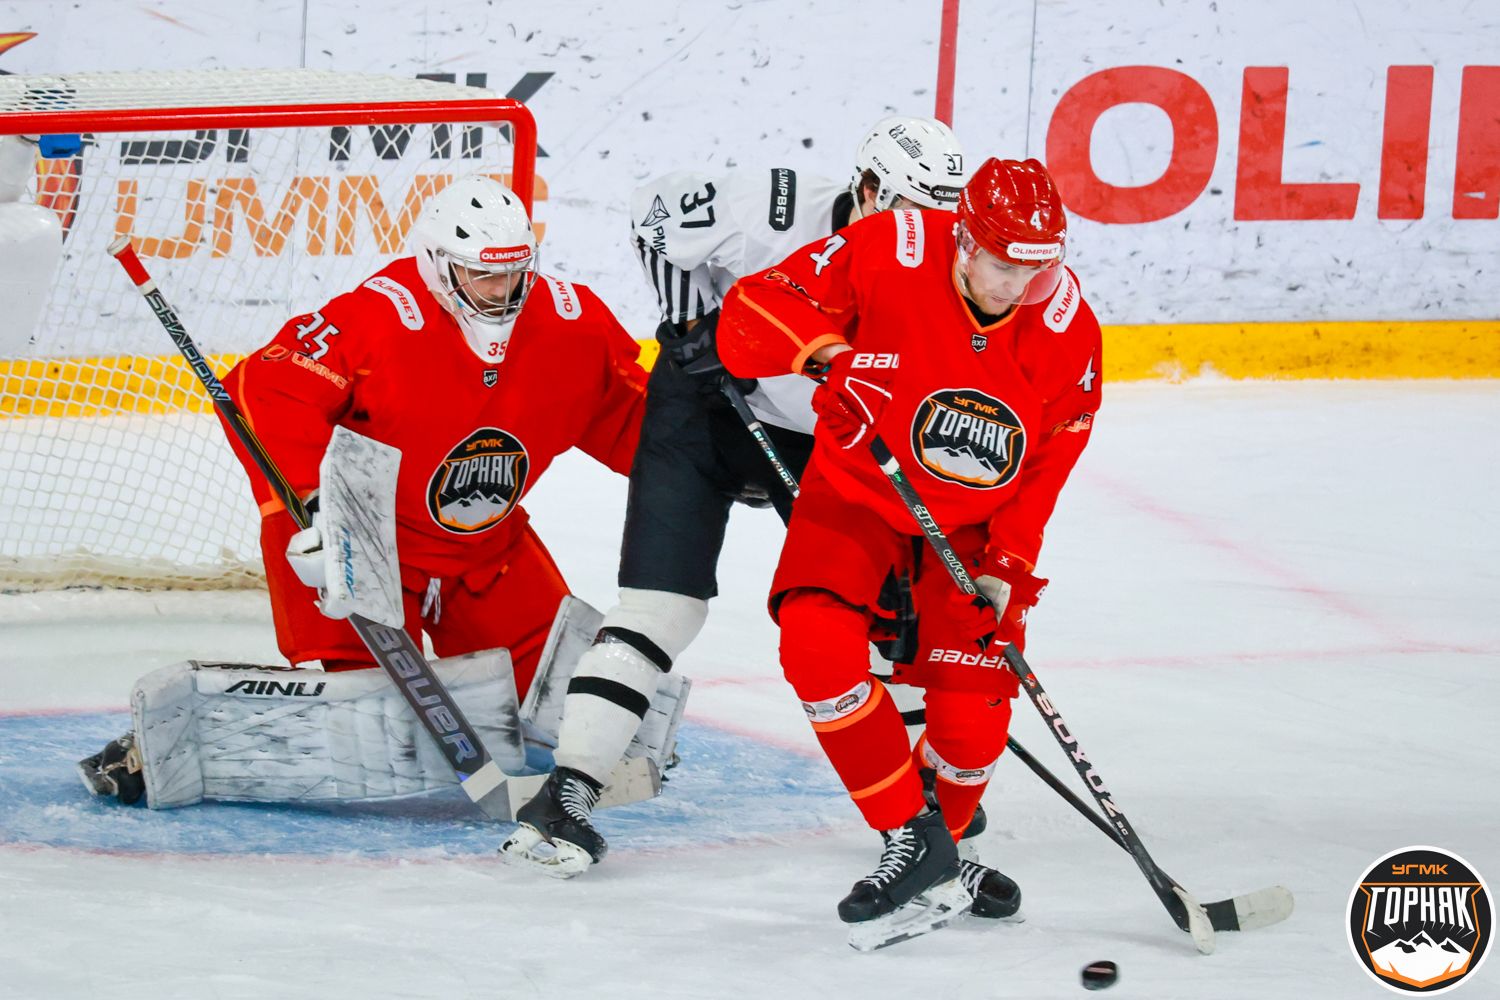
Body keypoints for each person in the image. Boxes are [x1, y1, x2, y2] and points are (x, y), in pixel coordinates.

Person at [79, 174, 649, 806]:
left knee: (590, 708)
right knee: (368, 724)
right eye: (482, 275)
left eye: (514, 273)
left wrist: (710, 464)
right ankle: (164, 749)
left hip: (488, 553)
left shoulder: (573, 323)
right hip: (365, 550)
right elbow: (265, 390)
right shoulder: (376, 318)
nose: (502, 291)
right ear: (437, 264)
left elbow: (638, 418)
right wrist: (314, 508)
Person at [500, 117, 969, 875]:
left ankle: (927, 810)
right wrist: (689, 321)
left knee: (886, 620)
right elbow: (657, 210)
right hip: (704, 408)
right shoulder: (775, 208)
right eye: (910, 209)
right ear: (868, 188)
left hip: (826, 438)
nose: (924, 233)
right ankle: (568, 793)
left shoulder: (946, 268)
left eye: (940, 217)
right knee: (662, 607)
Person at [715, 157, 1103, 941]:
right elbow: (752, 310)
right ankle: (912, 837)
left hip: (970, 531)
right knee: (816, 645)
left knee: (973, 719)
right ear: (965, 240)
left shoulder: (1068, 330)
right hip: (854, 495)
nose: (1016, 287)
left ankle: (941, 853)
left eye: (1033, 270)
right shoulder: (891, 245)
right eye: (1001, 266)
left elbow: (1048, 464)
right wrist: (829, 358)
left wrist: (1007, 568)